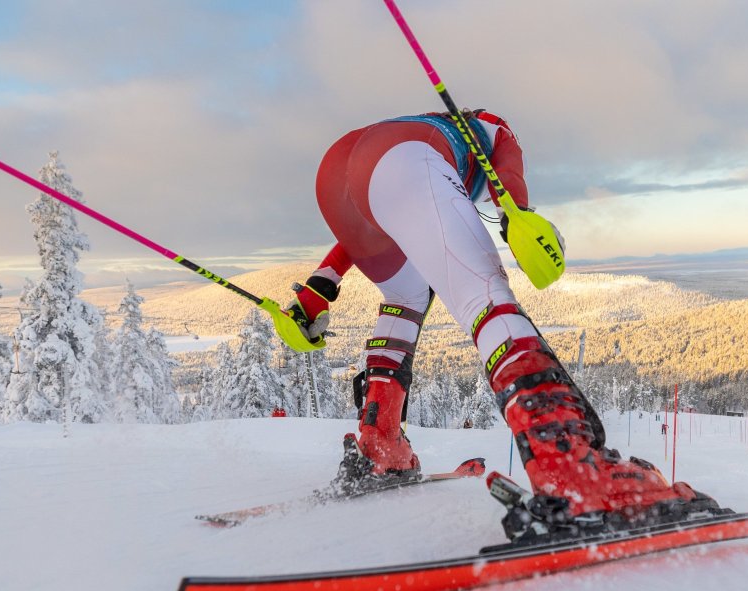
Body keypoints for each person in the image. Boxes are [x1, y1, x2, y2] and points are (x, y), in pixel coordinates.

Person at [281, 108, 720, 534]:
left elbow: (383, 193)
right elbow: (505, 176)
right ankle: (570, 470)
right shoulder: (493, 128)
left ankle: (381, 444)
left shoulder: (433, 131)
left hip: (340, 178)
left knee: (405, 294)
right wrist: (518, 215)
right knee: (485, 290)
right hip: (395, 158)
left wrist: (322, 283)